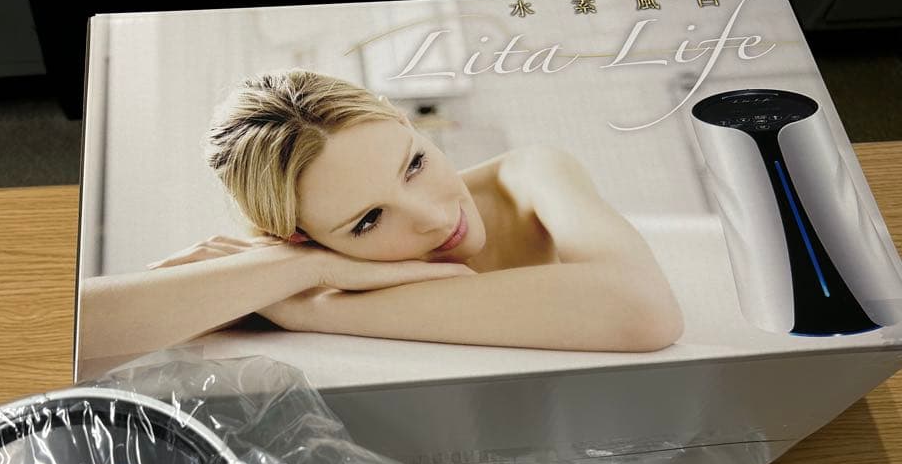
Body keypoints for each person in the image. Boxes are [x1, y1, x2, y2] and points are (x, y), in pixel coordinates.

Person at [79, 69, 683, 362]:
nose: (432, 219)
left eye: (414, 163)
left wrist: (311, 307)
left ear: (404, 120)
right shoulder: (302, 266)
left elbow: (645, 311)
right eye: (368, 220)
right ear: (298, 236)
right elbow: (78, 332)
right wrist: (298, 272)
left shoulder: (530, 175)